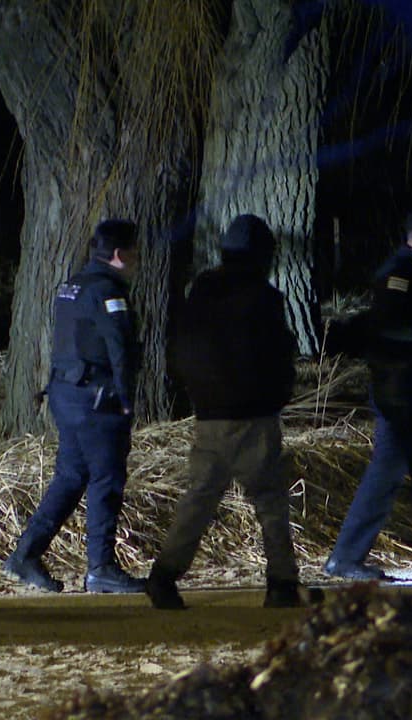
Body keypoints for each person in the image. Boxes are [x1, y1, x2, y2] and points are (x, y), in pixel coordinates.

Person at [145, 214, 305, 610]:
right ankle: (281, 583)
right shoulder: (265, 298)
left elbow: (181, 349)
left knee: (199, 497)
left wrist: (196, 393)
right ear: (263, 255)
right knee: (269, 499)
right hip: (253, 415)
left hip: (209, 414)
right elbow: (278, 355)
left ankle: (163, 576)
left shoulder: (200, 291)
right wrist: (277, 395)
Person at [3, 219, 146, 594]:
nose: (137, 259)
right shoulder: (107, 292)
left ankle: (26, 554)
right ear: (118, 255)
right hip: (96, 400)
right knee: (106, 479)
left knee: (70, 477)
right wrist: (127, 400)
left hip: (66, 395)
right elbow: (120, 347)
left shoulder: (72, 286)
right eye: (134, 252)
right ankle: (101, 568)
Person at [324, 204, 412, 581]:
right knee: (411, 474)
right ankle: (351, 559)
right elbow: (389, 328)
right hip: (401, 388)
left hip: (407, 386)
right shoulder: (402, 272)